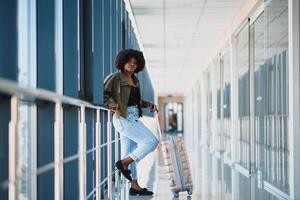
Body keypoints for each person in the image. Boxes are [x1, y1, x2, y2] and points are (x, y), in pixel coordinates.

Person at [103, 49, 159, 196]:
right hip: (123, 118)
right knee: (152, 142)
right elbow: (105, 96)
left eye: (135, 63)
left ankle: (134, 186)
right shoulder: (115, 78)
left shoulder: (135, 80)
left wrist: (148, 105)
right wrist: (114, 106)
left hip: (134, 117)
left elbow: (135, 101)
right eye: (129, 61)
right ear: (123, 61)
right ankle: (124, 163)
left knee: (129, 152)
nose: (132, 64)